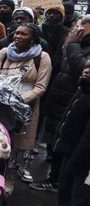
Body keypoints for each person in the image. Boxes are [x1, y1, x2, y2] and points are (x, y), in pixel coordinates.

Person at [0, 24, 52, 183]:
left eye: (23, 34)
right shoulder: (4, 53)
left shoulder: (42, 57)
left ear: (33, 38)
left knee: (22, 139)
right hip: (1, 102)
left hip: (26, 104)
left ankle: (18, 168)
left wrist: (19, 100)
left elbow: (41, 86)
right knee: (0, 137)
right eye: (16, 33)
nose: (18, 36)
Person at [37, 16, 90, 191]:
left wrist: (73, 45)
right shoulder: (74, 43)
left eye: (83, 24)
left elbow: (80, 69)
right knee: (58, 137)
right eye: (77, 24)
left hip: (76, 102)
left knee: (68, 144)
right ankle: (55, 178)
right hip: (61, 99)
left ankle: (58, 181)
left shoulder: (80, 46)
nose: (77, 27)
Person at [41, 59, 90, 206]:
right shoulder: (82, 90)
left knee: (81, 197)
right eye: (86, 68)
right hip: (71, 151)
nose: (86, 72)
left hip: (84, 158)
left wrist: (79, 158)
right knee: (66, 188)